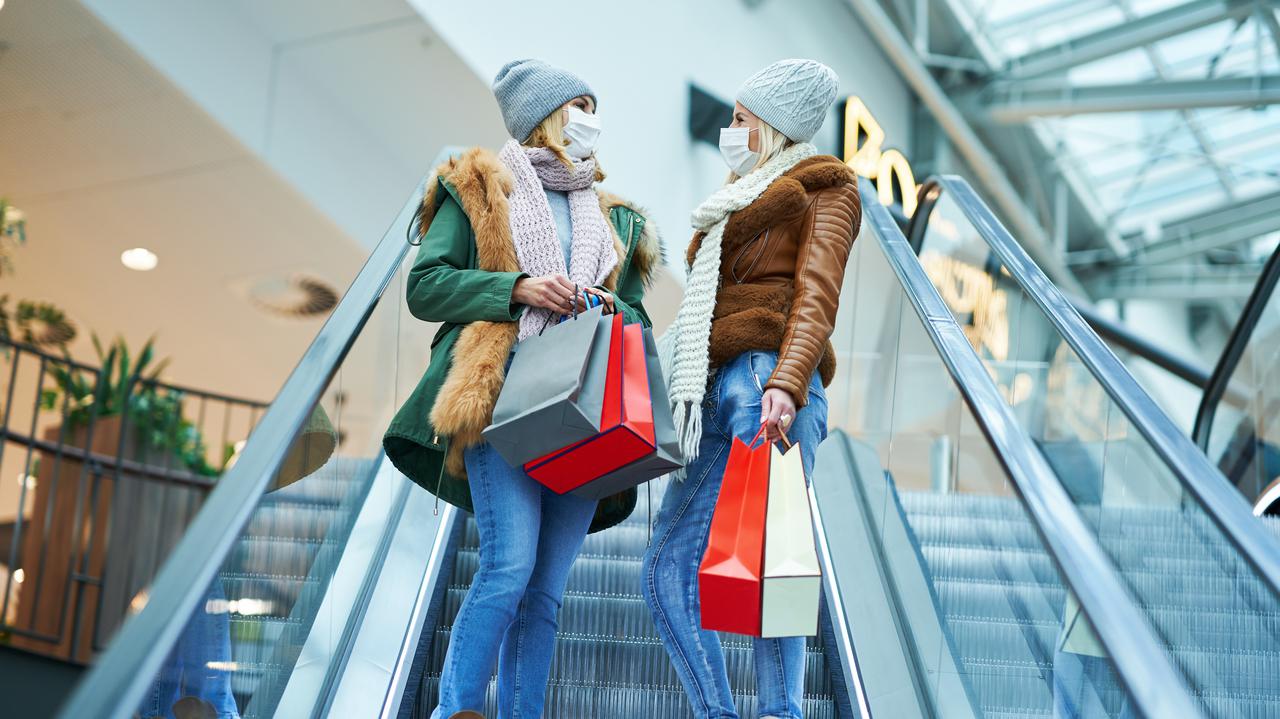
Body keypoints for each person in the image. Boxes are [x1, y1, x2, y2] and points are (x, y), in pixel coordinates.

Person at [382, 59, 661, 719]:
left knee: (546, 594)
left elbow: (640, 318)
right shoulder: (480, 185)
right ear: (548, 115)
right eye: (581, 105)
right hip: (501, 394)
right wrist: (518, 288)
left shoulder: (614, 217)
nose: (592, 120)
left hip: (583, 407)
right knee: (508, 568)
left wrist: (607, 307)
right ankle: (455, 709)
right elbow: (426, 285)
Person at [642, 59, 861, 719]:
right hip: (713, 384)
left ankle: (779, 711)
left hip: (769, 381)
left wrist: (789, 383)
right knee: (663, 569)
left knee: (774, 562)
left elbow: (817, 296)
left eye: (741, 119)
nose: (729, 131)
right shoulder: (735, 197)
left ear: (771, 126)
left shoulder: (828, 189)